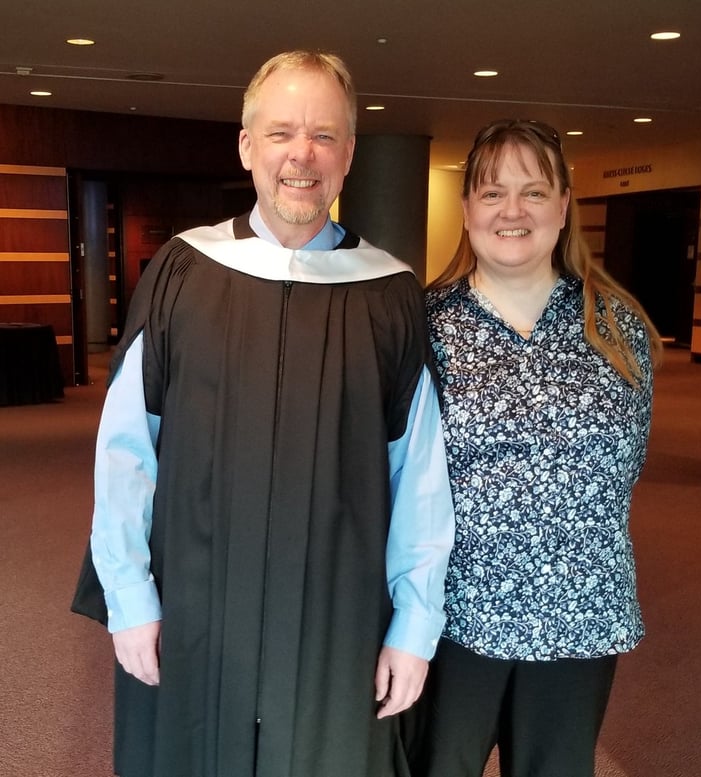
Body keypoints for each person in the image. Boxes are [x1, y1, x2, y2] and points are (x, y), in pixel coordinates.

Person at [71, 50, 454, 777]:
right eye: (281, 133)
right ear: (247, 146)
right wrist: (127, 594)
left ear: (348, 155)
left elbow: (420, 478)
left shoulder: (389, 294)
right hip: (195, 604)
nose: (301, 155)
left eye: (324, 135)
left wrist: (414, 623)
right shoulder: (183, 273)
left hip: (337, 617)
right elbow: (126, 452)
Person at [408, 119, 663, 777]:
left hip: (580, 609)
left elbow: (625, 464)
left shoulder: (617, 326)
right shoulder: (424, 327)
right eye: (493, 193)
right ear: (466, 211)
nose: (512, 211)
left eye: (533, 192)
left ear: (563, 205)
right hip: (457, 613)